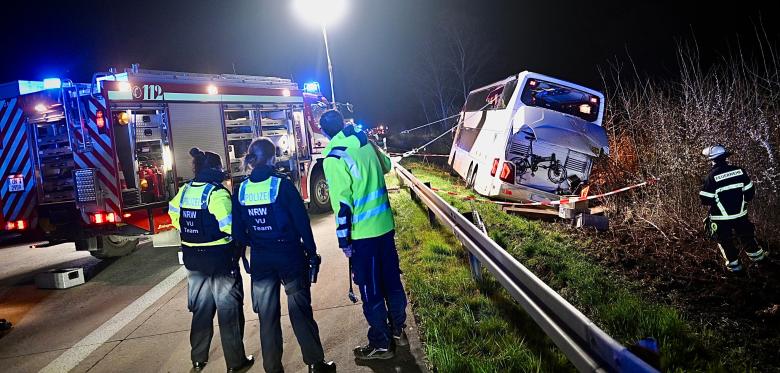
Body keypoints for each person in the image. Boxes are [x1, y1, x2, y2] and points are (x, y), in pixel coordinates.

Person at [232, 138, 336, 373]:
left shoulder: (241, 190)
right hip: (289, 255)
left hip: (261, 259)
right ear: (272, 157)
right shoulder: (282, 185)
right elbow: (302, 222)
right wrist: (311, 252)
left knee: (267, 318)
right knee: (300, 311)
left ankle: (272, 368)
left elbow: (238, 232)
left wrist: (258, 242)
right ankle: (315, 365)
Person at [319, 110, 408, 360]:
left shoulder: (334, 157)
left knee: (370, 290)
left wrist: (343, 240)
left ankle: (381, 344)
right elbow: (388, 166)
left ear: (325, 132)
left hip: (362, 235)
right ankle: (399, 331)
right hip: (385, 227)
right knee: (392, 281)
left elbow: (342, 205)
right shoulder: (364, 141)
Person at [168, 148, 254, 372]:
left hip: (194, 260)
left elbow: (173, 213)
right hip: (219, 260)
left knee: (201, 311)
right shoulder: (217, 193)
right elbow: (228, 226)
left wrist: (190, 232)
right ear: (215, 168)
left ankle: (198, 358)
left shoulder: (185, 190)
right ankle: (236, 363)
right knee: (229, 312)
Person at [699, 145, 767, 273]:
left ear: (711, 160)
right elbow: (750, 192)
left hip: (720, 218)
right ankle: (761, 262)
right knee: (747, 237)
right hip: (741, 215)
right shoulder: (740, 171)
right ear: (725, 157)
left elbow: (705, 199)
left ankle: (736, 270)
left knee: (725, 242)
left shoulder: (711, 177)